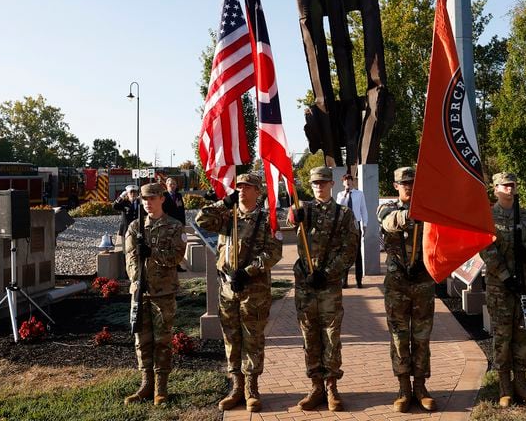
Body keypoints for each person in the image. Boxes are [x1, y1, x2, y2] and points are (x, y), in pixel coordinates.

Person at [195, 173, 282, 412]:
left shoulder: (266, 220)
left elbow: (273, 252)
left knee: (252, 338)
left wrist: (247, 272)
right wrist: (224, 202)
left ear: (258, 191)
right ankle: (236, 387)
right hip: (227, 289)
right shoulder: (227, 216)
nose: (242, 190)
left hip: (253, 289)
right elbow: (201, 220)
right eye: (240, 187)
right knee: (231, 339)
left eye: (247, 187)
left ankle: (251, 389)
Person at [288, 166, 358, 412]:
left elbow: (350, 248)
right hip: (306, 285)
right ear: (311, 185)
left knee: (331, 336)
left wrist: (328, 273)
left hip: (328, 285)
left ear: (332, 184)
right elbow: (286, 221)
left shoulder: (344, 213)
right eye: (316, 183)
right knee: (309, 335)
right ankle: (315, 386)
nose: (319, 186)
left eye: (324, 182)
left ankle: (331, 387)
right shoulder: (302, 210)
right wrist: (293, 216)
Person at [479, 172, 526, 407]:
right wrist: (506, 277)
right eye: (504, 185)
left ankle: (522, 384)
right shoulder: (487, 217)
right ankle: (504, 386)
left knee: (523, 333)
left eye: (512, 185)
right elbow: (486, 249)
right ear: (495, 189)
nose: (509, 188)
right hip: (501, 286)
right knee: (503, 335)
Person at [376, 166, 437, 413]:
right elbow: (389, 223)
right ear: (395, 186)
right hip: (397, 283)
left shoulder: (429, 209)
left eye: (412, 182)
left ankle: (420, 387)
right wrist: (414, 213)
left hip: (423, 280)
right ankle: (403, 388)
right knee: (399, 337)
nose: (409, 186)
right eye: (404, 183)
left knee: (421, 337)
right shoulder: (387, 208)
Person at [124, 183, 186, 406]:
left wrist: (154, 253)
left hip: (163, 292)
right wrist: (136, 279)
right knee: (142, 341)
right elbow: (130, 258)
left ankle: (161, 387)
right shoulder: (134, 227)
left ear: (162, 198)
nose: (148, 203)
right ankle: (146, 385)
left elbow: (177, 256)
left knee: (162, 341)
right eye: (144, 199)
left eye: (152, 198)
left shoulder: (174, 226)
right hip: (141, 292)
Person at [335, 173, 368, 288]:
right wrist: (345, 195)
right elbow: (338, 208)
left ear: (353, 181)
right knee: (344, 252)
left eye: (349, 180)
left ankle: (359, 280)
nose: (348, 182)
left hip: (356, 223)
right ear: (343, 182)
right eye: (345, 181)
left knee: (357, 252)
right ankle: (345, 281)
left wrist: (365, 224)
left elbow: (363, 209)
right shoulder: (340, 195)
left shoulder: (359, 194)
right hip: (344, 224)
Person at [162, 177, 187, 272]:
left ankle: (177, 265)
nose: (172, 186)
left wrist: (183, 223)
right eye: (170, 184)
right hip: (168, 224)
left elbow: (181, 210)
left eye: (174, 184)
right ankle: (169, 266)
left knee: (178, 245)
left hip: (179, 225)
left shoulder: (178, 195)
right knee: (168, 246)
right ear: (166, 185)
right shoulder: (164, 196)